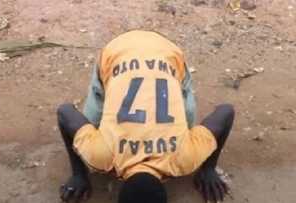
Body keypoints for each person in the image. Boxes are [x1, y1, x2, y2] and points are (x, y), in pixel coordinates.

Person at [56, 30, 235, 203]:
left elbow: (226, 112)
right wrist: (79, 174)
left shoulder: (186, 158)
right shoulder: (99, 155)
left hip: (162, 54)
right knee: (92, 127)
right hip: (125, 52)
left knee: (186, 124)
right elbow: (64, 111)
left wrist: (208, 167)